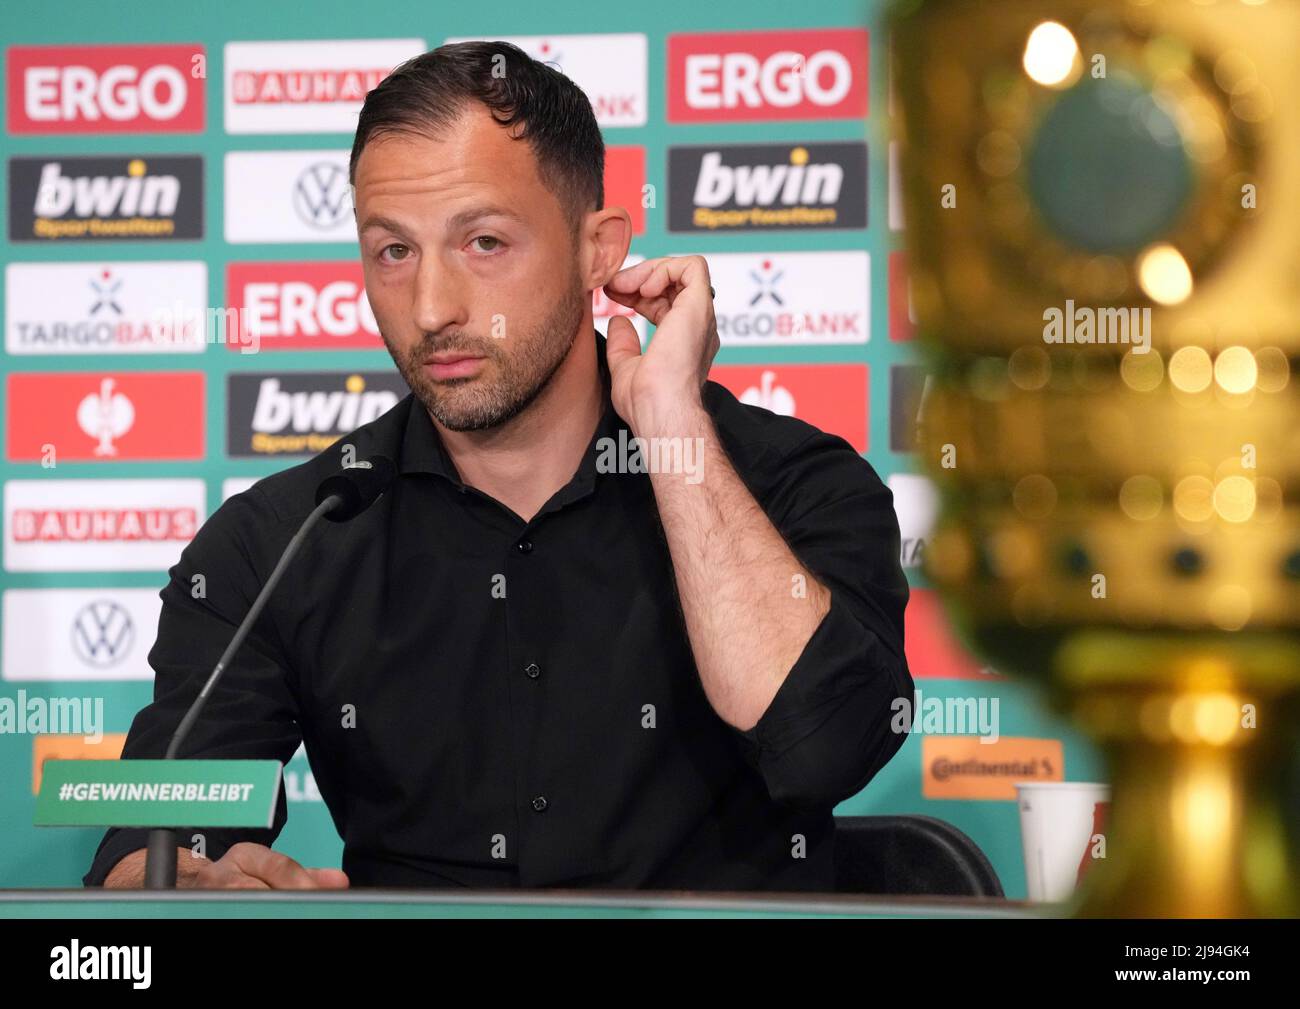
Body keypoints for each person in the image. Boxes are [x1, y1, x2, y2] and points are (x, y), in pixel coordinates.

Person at [86, 41, 912, 891]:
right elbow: (152, 831)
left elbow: (827, 747)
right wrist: (182, 883)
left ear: (599, 251)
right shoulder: (282, 543)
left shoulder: (790, 483)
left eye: (483, 241)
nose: (433, 309)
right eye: (393, 252)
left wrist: (671, 425)